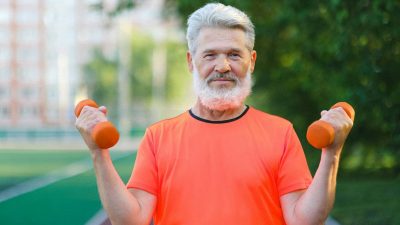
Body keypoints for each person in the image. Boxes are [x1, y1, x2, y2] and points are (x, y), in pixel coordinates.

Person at [76, 3, 353, 225]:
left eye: (234, 54)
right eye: (210, 55)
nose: (222, 66)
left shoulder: (280, 132)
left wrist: (332, 154)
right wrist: (98, 154)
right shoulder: (158, 137)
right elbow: (130, 221)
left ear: (251, 61)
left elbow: (305, 220)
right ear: (190, 61)